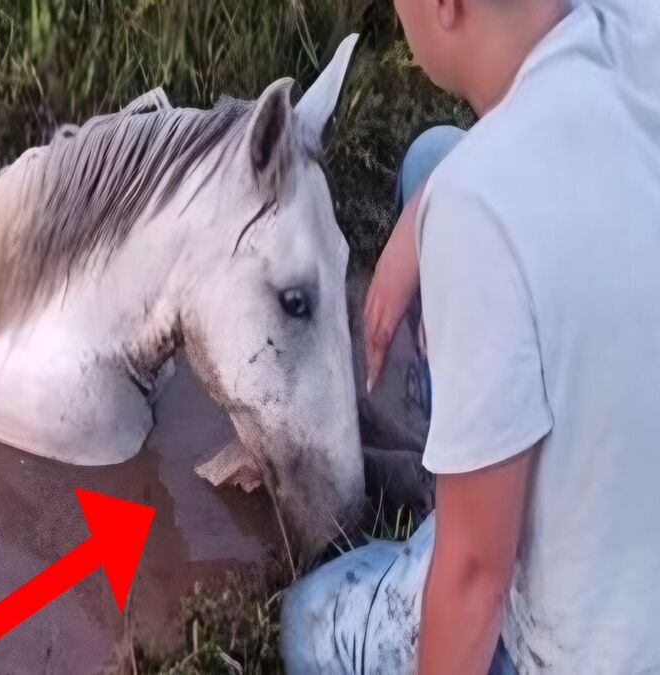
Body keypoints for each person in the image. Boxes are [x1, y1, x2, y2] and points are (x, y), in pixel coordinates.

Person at [281, 0, 660, 673]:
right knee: (434, 156)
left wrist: (451, 208)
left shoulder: (478, 206)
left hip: (592, 645)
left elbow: (477, 578)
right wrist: (424, 215)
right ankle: (472, 451)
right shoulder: (638, 25)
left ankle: (463, 480)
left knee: (307, 622)